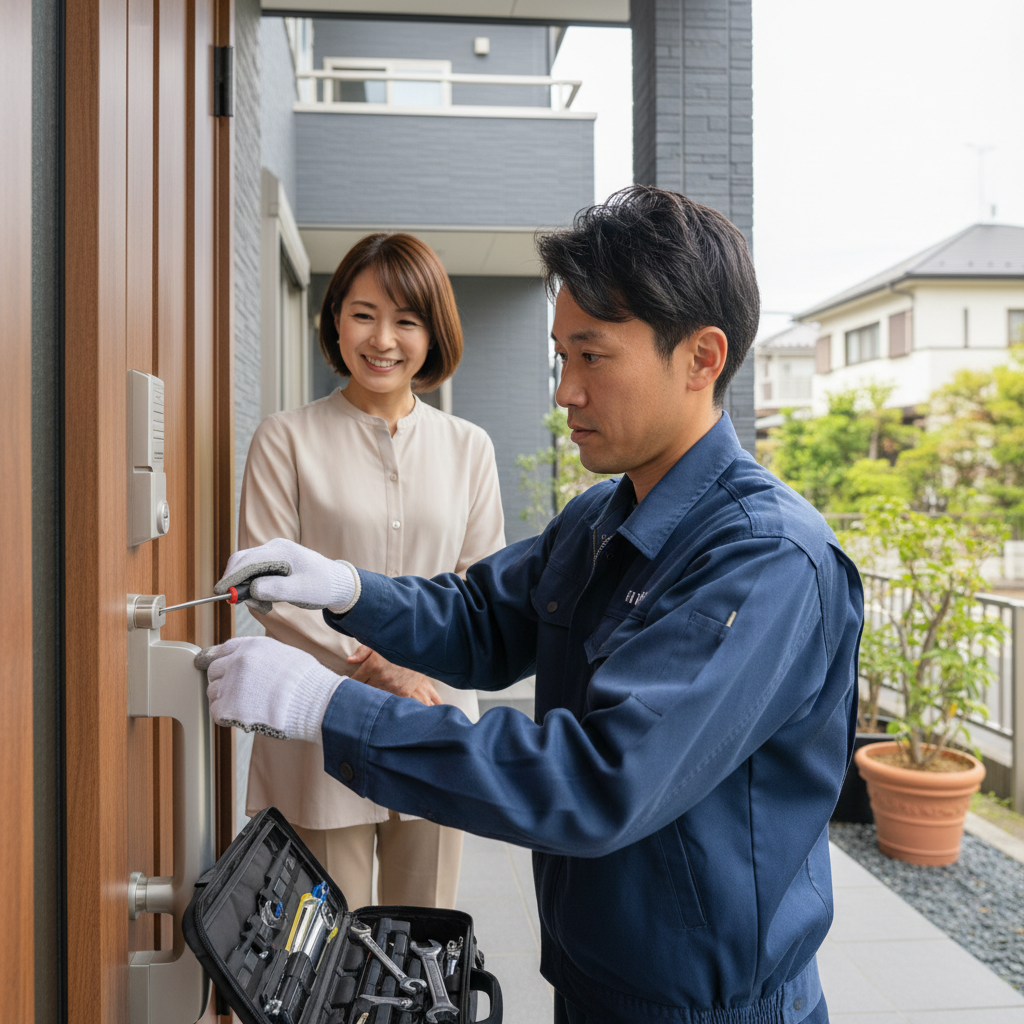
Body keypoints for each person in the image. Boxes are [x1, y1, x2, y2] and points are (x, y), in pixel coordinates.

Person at [201, 187, 863, 1024]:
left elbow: (596, 781)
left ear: (701, 358)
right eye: (559, 358)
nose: (564, 392)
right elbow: (482, 619)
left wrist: (324, 704)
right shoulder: (603, 516)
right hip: (596, 977)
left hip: (705, 1005)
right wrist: (348, 589)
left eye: (592, 357)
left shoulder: (765, 561)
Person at [235, 231, 505, 910]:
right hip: (319, 721)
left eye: (406, 321)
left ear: (432, 333)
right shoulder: (286, 438)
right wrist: (372, 665)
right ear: (334, 320)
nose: (382, 339)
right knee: (328, 953)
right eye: (363, 314)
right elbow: (268, 591)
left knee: (424, 945)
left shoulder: (469, 447)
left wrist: (416, 673)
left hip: (434, 717)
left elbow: (483, 588)